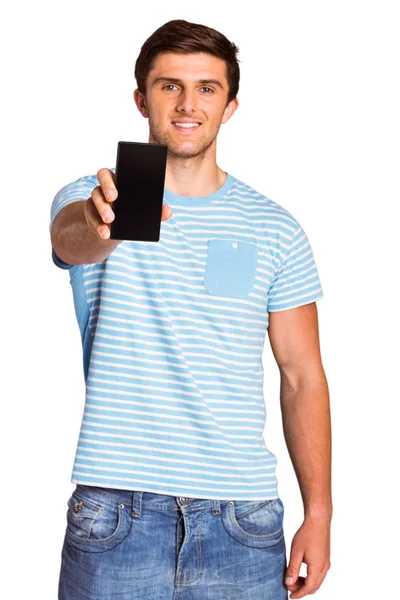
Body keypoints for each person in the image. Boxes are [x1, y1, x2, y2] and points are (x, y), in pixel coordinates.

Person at [50, 18, 332, 600]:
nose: (187, 103)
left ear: (229, 106)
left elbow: (303, 376)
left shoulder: (275, 227)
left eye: (206, 87)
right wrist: (107, 224)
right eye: (169, 85)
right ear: (140, 98)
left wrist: (320, 512)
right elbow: (72, 241)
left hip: (243, 519)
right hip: (116, 513)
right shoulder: (94, 196)